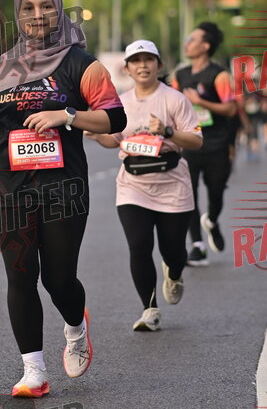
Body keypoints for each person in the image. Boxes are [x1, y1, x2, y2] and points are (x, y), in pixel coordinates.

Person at [0, 0, 126, 398]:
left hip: (63, 187)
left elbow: (115, 119)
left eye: (46, 6)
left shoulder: (82, 64)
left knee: (59, 279)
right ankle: (34, 371)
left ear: (59, 11)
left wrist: (67, 116)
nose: (37, 15)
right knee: (20, 274)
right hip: (8, 185)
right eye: (28, 8)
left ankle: (76, 327)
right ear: (17, 15)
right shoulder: (0, 67)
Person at [86, 40, 203, 331]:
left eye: (148, 59)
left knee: (173, 251)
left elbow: (196, 140)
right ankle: (149, 309)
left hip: (172, 185)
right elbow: (115, 139)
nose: (142, 66)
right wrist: (96, 135)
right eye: (136, 61)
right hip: (133, 186)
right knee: (139, 246)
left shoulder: (175, 100)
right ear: (126, 68)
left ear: (158, 65)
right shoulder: (121, 103)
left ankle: (174, 273)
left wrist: (167, 131)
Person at [173, 23, 237, 265]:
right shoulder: (181, 75)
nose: (187, 43)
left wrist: (200, 101)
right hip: (190, 142)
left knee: (216, 191)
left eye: (193, 39)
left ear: (206, 46)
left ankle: (212, 220)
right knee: (188, 191)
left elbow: (230, 109)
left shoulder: (219, 75)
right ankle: (197, 245)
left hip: (217, 142)